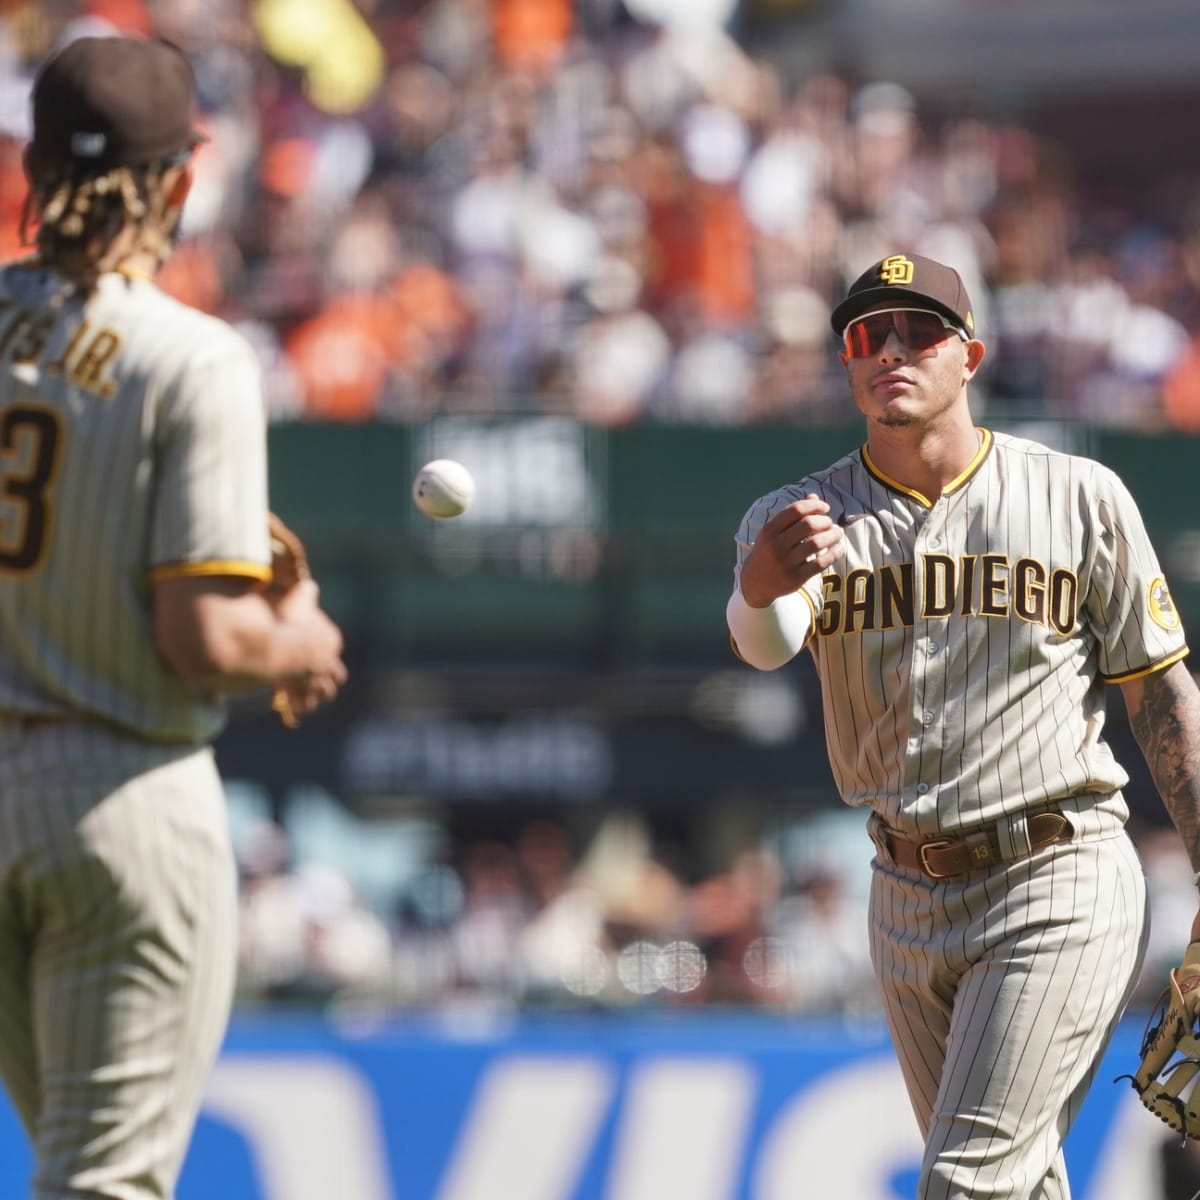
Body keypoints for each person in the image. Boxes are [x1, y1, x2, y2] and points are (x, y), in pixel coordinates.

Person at [726, 251, 1200, 1198]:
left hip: (1056, 871)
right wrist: (760, 584)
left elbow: (1161, 696)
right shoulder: (795, 519)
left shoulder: (1079, 495)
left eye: (919, 330)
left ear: (970, 355)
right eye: (868, 334)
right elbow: (761, 644)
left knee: (966, 1185)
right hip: (900, 893)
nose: (890, 349)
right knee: (1018, 1187)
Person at [0, 35, 347, 1199]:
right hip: (122, 795)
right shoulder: (192, 359)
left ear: (35, 169)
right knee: (104, 1184)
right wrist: (297, 640)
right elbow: (203, 636)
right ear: (181, 184)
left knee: (66, 1168)